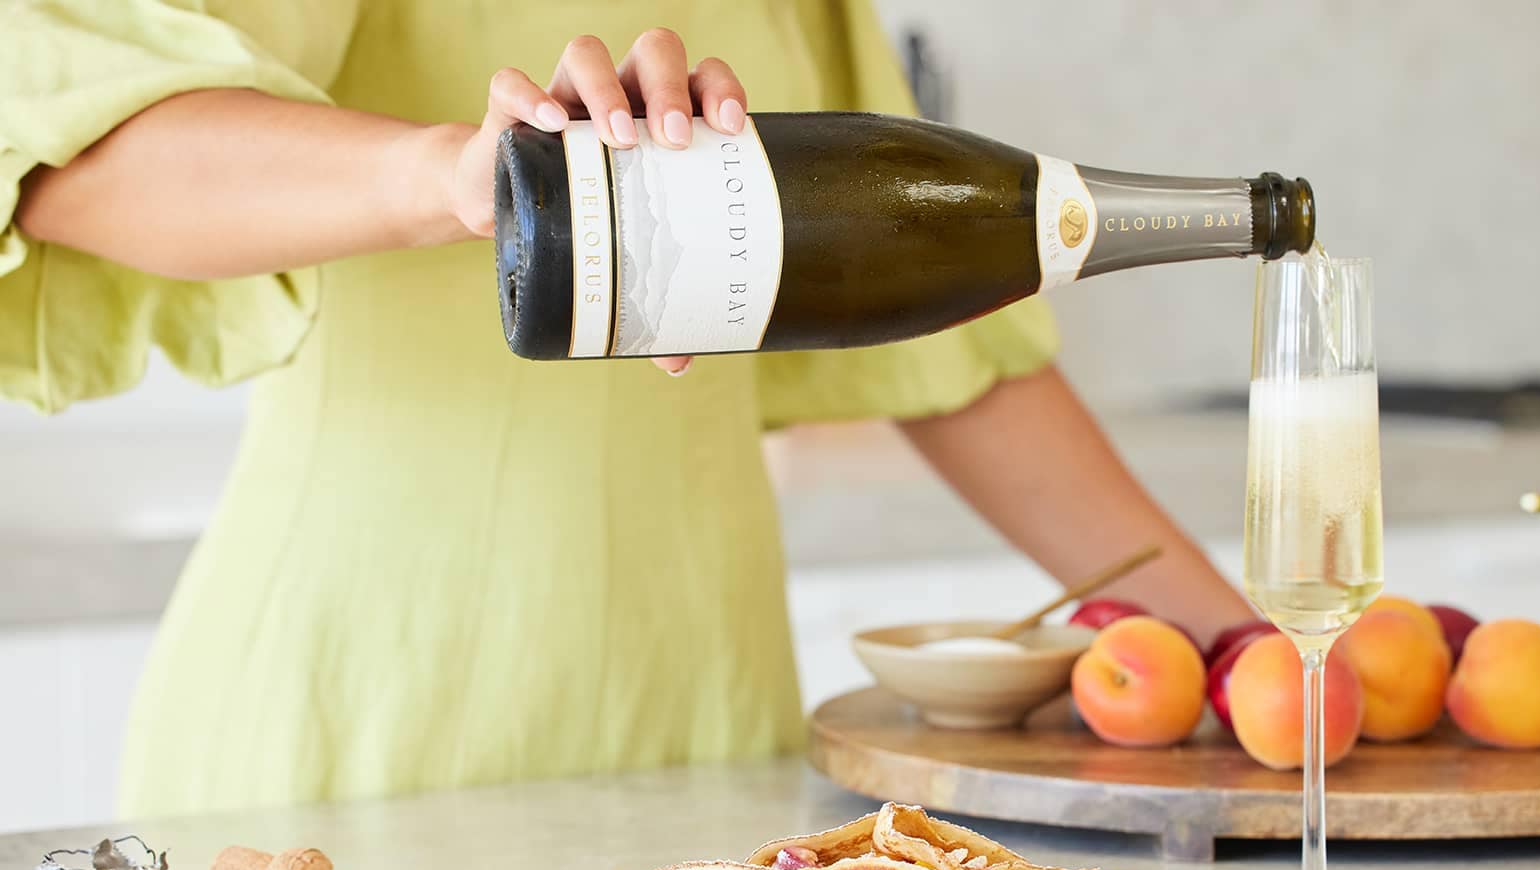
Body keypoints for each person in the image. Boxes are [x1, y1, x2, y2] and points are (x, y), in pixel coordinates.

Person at [2, 2, 1253, 818]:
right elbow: (62, 142)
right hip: (362, 763)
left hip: (711, 755)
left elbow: (950, 356)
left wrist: (1249, 651)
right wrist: (448, 175)